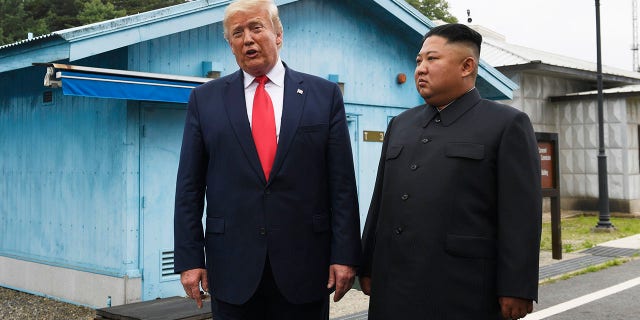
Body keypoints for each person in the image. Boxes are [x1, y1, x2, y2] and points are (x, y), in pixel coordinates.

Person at [173, 0, 361, 319]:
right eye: (237, 32)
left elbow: (341, 185)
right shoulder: (204, 100)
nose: (247, 38)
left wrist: (345, 255)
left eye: (256, 27)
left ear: (278, 34)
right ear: (231, 44)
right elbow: (189, 188)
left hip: (305, 265)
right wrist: (190, 259)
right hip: (231, 265)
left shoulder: (324, 96)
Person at [359, 23, 542, 320]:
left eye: (432, 59)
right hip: (393, 286)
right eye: (419, 60)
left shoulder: (506, 124)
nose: (421, 68)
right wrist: (367, 265)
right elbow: (380, 201)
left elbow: (521, 214)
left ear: (467, 66)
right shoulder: (401, 124)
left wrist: (517, 286)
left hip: (462, 289)